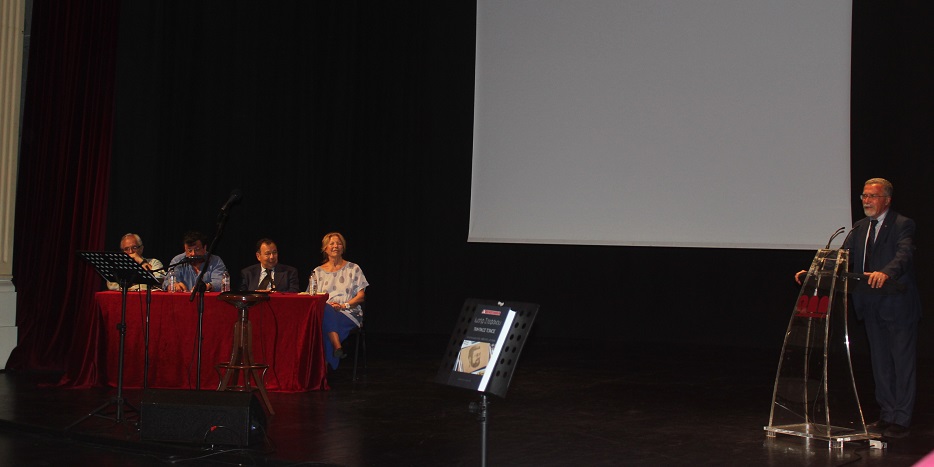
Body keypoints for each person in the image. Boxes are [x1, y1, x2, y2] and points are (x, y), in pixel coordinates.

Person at [795, 178, 920, 438]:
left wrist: (886, 273)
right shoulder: (859, 228)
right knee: (880, 363)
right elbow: (842, 258)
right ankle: (887, 414)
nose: (866, 201)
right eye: (864, 196)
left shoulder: (902, 224)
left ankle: (901, 418)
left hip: (897, 306)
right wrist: (814, 273)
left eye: (872, 196)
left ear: (887, 200)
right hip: (870, 305)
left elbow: (904, 255)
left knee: (901, 363)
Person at [311, 232, 368, 369]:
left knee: (324, 328)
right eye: (332, 243)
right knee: (326, 309)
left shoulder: (354, 268)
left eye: (339, 243)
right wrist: (328, 307)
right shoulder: (317, 272)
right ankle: (337, 346)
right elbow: (312, 296)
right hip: (324, 312)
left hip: (348, 312)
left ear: (343, 247)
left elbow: (361, 296)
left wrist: (343, 305)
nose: (336, 246)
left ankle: (324, 370)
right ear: (325, 248)